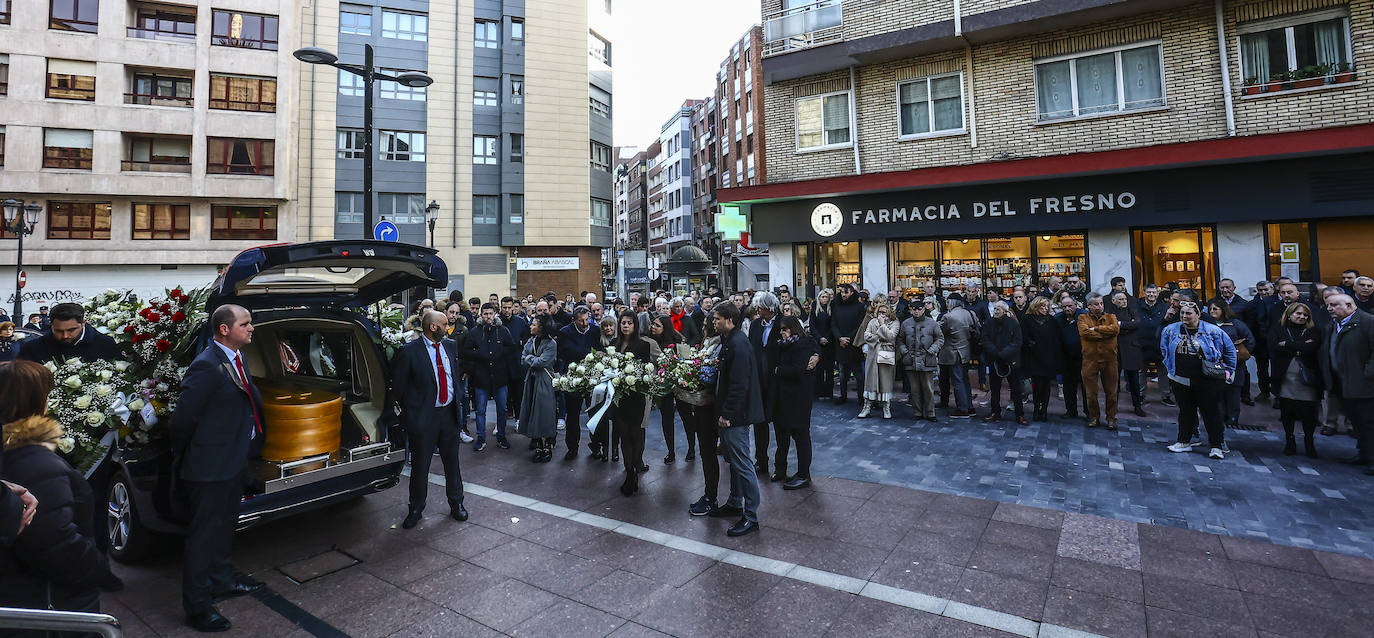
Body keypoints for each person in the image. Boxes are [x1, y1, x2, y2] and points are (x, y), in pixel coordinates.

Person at [170, 304, 267, 632]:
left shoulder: (237, 357)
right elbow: (183, 420)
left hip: (233, 461)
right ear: (224, 329)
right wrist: (195, 454)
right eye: (246, 323)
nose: (251, 327)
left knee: (225, 526)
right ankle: (197, 606)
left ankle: (223, 580)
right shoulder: (207, 365)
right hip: (209, 467)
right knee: (203, 536)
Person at [0, 361, 122, 620]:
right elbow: (53, 543)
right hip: (48, 603)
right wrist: (98, 569)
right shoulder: (35, 462)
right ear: (37, 401)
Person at [391, 309, 468, 528]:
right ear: (433, 327)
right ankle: (415, 509)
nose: (448, 327)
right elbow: (399, 386)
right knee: (420, 467)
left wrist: (458, 398)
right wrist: (413, 411)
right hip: (424, 418)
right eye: (444, 324)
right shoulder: (410, 351)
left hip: (449, 415)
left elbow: (453, 374)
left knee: (452, 464)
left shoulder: (450, 346)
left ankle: (457, 504)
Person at [707, 302, 763, 537]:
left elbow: (739, 384)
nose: (713, 322)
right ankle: (734, 502)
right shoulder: (731, 340)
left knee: (742, 464)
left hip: (736, 416)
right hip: (733, 413)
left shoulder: (738, 343)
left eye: (717, 319)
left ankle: (751, 516)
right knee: (734, 461)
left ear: (730, 320)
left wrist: (728, 414)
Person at [1162, 301, 1236, 460]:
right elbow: (1164, 348)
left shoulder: (1213, 331)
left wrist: (1229, 372)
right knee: (1186, 411)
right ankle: (1183, 441)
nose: (1184, 316)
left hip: (1208, 379)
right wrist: (1170, 369)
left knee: (1211, 412)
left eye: (1188, 313)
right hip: (1180, 378)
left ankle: (1216, 445)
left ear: (1198, 314)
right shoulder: (1171, 330)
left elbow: (1229, 350)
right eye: (1182, 313)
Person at [1319, 294, 1374, 475]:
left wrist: (1367, 374)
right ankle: (1363, 454)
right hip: (1341, 382)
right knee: (1356, 421)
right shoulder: (1333, 325)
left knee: (1368, 422)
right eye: (1328, 305)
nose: (1329, 309)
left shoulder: (1367, 322)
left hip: (1364, 384)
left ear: (1349, 305)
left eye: (1334, 305)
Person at [768, 316, 819, 489]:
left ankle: (803, 474)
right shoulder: (783, 345)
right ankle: (780, 469)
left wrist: (778, 370)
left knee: (800, 435)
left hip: (798, 398)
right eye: (781, 329)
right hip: (783, 397)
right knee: (782, 435)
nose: (782, 332)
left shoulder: (802, 344)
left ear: (793, 328)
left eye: (785, 329)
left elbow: (799, 370)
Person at [611, 311, 659, 496]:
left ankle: (636, 468)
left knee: (635, 433)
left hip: (636, 395)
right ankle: (629, 471)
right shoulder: (614, 345)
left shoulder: (643, 345)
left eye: (629, 323)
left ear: (635, 325)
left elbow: (644, 370)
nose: (626, 326)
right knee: (623, 434)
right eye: (623, 322)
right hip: (620, 397)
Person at [1270, 303, 1322, 458]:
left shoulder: (1314, 330)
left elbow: (1312, 348)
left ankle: (1309, 442)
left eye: (1305, 315)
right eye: (1298, 314)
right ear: (1290, 314)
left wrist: (1287, 344)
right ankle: (1290, 441)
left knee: (1309, 413)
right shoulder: (1278, 328)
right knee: (1287, 411)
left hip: (1308, 378)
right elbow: (1273, 346)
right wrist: (1300, 346)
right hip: (1285, 377)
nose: (1302, 317)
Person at [463, 303, 515, 451]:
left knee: (502, 409)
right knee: (480, 410)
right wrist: (480, 354)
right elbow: (466, 350)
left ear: (495, 314)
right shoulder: (475, 332)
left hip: (500, 376)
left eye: (490, 314)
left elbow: (511, 347)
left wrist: (500, 354)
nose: (488, 317)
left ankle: (502, 436)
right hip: (481, 377)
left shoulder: (503, 330)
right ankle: (481, 438)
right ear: (481, 315)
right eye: (485, 314)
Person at [649, 316, 696, 464]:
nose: (653, 327)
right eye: (653, 324)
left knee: (686, 416)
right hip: (663, 387)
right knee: (666, 418)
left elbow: (688, 361)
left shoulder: (678, 343)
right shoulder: (652, 343)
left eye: (657, 325)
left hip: (680, 385)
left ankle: (692, 448)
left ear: (665, 328)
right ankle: (671, 451)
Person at [16, 302, 119, 364]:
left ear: (83, 323)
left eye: (71, 330)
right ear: (51, 325)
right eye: (59, 331)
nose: (65, 336)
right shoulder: (33, 348)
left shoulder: (105, 344)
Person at [748, 292, 782, 477]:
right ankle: (761, 461)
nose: (756, 310)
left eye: (759, 307)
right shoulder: (755, 325)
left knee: (779, 425)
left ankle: (780, 465)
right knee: (759, 423)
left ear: (768, 308)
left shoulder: (783, 323)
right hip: (758, 381)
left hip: (777, 381)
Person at [557, 307, 597, 460]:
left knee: (593, 412)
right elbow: (564, 352)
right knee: (573, 415)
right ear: (574, 320)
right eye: (581, 320)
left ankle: (596, 445)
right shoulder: (565, 332)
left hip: (592, 376)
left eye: (587, 320)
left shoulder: (594, 330)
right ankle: (572, 447)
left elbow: (598, 349)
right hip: (573, 377)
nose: (584, 323)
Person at [518, 315, 558, 463]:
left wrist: (530, 359)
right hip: (532, 381)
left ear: (541, 327)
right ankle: (539, 446)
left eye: (533, 324)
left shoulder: (551, 343)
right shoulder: (532, 340)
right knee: (532, 412)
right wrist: (532, 359)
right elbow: (523, 357)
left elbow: (543, 362)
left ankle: (547, 447)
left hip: (545, 381)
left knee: (544, 413)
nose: (530, 326)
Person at [1209, 300, 1256, 427]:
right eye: (1211, 309)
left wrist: (1239, 355)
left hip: (1234, 364)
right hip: (1215, 365)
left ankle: (1233, 418)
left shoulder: (1235, 324)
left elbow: (1250, 340)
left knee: (1233, 393)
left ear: (1223, 310)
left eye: (1215, 309)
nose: (1212, 311)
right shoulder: (1208, 324)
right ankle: (1220, 417)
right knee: (1218, 392)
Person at [1078, 293, 1121, 429]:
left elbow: (1115, 329)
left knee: (1112, 392)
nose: (1099, 306)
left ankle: (1111, 418)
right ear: (1089, 306)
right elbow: (1084, 333)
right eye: (1096, 304)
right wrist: (1105, 334)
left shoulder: (1111, 317)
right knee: (1091, 393)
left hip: (1110, 359)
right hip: (1090, 360)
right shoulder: (1082, 317)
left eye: (1101, 303)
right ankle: (1094, 417)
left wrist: (1096, 329)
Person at [981, 301, 1026, 424]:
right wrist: (996, 352)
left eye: (998, 309)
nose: (995, 311)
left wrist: (1004, 353)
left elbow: (1017, 341)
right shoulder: (989, 322)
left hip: (1011, 360)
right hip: (994, 359)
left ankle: (1019, 414)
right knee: (995, 388)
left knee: (1016, 389)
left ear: (1005, 312)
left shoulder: (1013, 323)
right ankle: (995, 412)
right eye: (995, 309)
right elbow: (985, 339)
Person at [1021, 297, 1063, 422]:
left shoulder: (1051, 320)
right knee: (1037, 385)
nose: (1045, 309)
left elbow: (1056, 338)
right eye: (1042, 306)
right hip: (1034, 356)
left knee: (1046, 385)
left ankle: (1044, 410)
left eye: (1047, 306)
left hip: (1048, 357)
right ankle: (1036, 408)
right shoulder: (1027, 319)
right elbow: (1023, 336)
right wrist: (1030, 343)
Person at [899, 302, 943, 421]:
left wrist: (932, 349)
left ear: (923, 309)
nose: (916, 312)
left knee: (928, 388)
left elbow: (940, 338)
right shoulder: (906, 323)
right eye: (914, 309)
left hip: (927, 359)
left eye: (919, 309)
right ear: (911, 310)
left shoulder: (932, 323)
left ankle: (930, 413)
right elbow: (900, 339)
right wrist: (905, 352)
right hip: (911, 359)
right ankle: (917, 412)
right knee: (914, 389)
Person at [938, 293, 978, 418]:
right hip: (966, 351)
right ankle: (969, 407)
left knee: (957, 381)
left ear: (951, 302)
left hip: (953, 352)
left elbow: (940, 333)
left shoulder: (948, 317)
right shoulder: (970, 313)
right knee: (964, 380)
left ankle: (962, 408)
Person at [861, 299, 900, 419]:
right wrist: (879, 338)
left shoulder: (895, 322)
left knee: (886, 381)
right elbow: (866, 335)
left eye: (884, 312)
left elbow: (892, 336)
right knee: (870, 381)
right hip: (872, 356)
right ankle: (866, 407)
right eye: (880, 312)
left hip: (886, 355)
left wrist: (882, 325)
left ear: (889, 312)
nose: (881, 314)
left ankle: (886, 408)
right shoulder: (872, 321)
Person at [1111, 291, 1147, 417]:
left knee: (1134, 380)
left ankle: (1137, 406)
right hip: (1116, 349)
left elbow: (1136, 323)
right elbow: (1111, 326)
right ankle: (1113, 406)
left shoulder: (1133, 310)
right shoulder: (1111, 313)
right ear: (1113, 301)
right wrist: (1126, 325)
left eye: (1125, 299)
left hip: (1132, 348)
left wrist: (1120, 324)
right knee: (1114, 380)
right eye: (1120, 299)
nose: (1123, 301)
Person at [830, 284, 867, 405]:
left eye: (846, 292)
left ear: (852, 292)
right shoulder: (836, 305)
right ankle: (843, 395)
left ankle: (861, 398)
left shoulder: (860, 307)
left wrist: (848, 338)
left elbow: (860, 326)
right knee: (842, 373)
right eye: (841, 292)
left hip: (854, 344)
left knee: (858, 374)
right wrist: (839, 337)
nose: (843, 295)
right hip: (840, 344)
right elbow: (833, 324)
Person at [1057, 295, 1086, 419]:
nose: (1067, 308)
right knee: (1068, 387)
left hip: (1084, 357)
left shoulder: (1084, 316)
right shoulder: (1058, 318)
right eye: (1064, 306)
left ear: (1076, 305)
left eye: (1070, 306)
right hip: (1066, 358)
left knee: (1086, 387)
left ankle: (1089, 412)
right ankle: (1071, 411)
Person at [812, 289, 835, 400]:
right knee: (819, 368)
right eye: (823, 297)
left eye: (826, 297)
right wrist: (819, 338)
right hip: (818, 341)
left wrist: (827, 337)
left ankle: (829, 392)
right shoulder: (815, 308)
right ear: (819, 297)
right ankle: (819, 392)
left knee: (829, 369)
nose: (825, 299)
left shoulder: (831, 308)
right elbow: (812, 325)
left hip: (829, 342)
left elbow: (833, 325)